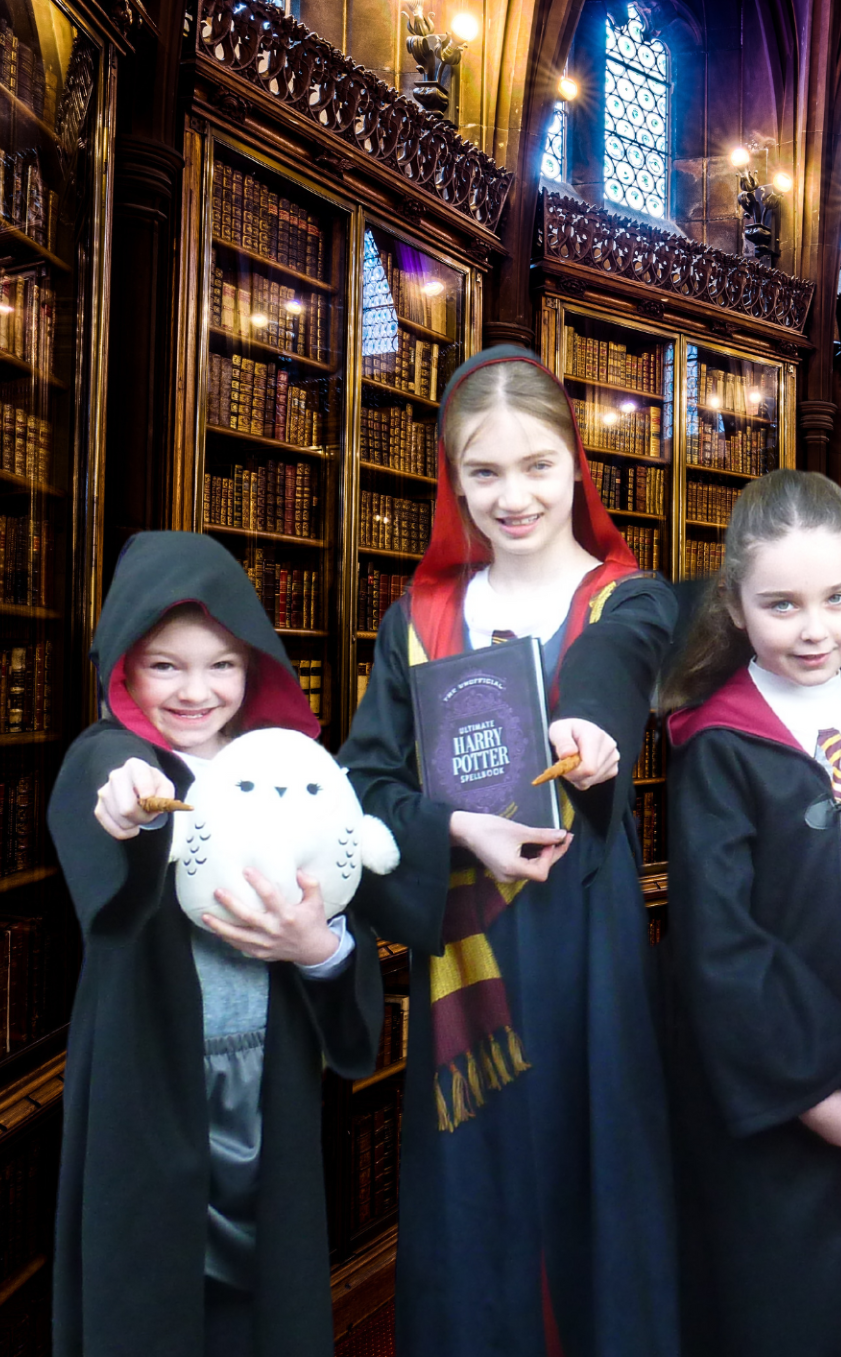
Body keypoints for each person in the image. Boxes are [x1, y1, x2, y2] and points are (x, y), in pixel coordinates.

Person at [338, 345, 679, 1357]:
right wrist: (456, 828)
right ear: (454, 478)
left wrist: (591, 730)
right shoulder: (417, 621)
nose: (513, 496)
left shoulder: (627, 600)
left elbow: (615, 669)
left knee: (594, 1175)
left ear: (577, 462)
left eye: (537, 464)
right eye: (483, 471)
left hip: (586, 948)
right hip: (465, 954)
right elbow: (363, 788)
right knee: (475, 1202)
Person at [48, 530, 381, 1357]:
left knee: (264, 1301)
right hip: (152, 1087)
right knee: (150, 1301)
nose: (195, 691)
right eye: (165, 665)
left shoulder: (293, 772)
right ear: (125, 669)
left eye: (221, 664)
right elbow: (109, 798)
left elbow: (343, 902)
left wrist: (318, 946)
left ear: (254, 666)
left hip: (267, 1083)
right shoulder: (112, 757)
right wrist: (130, 811)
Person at [661, 469, 841, 1357]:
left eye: (838, 597)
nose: (816, 628)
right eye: (782, 605)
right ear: (736, 603)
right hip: (774, 1095)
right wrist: (807, 1087)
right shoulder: (719, 744)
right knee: (780, 1309)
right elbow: (720, 943)